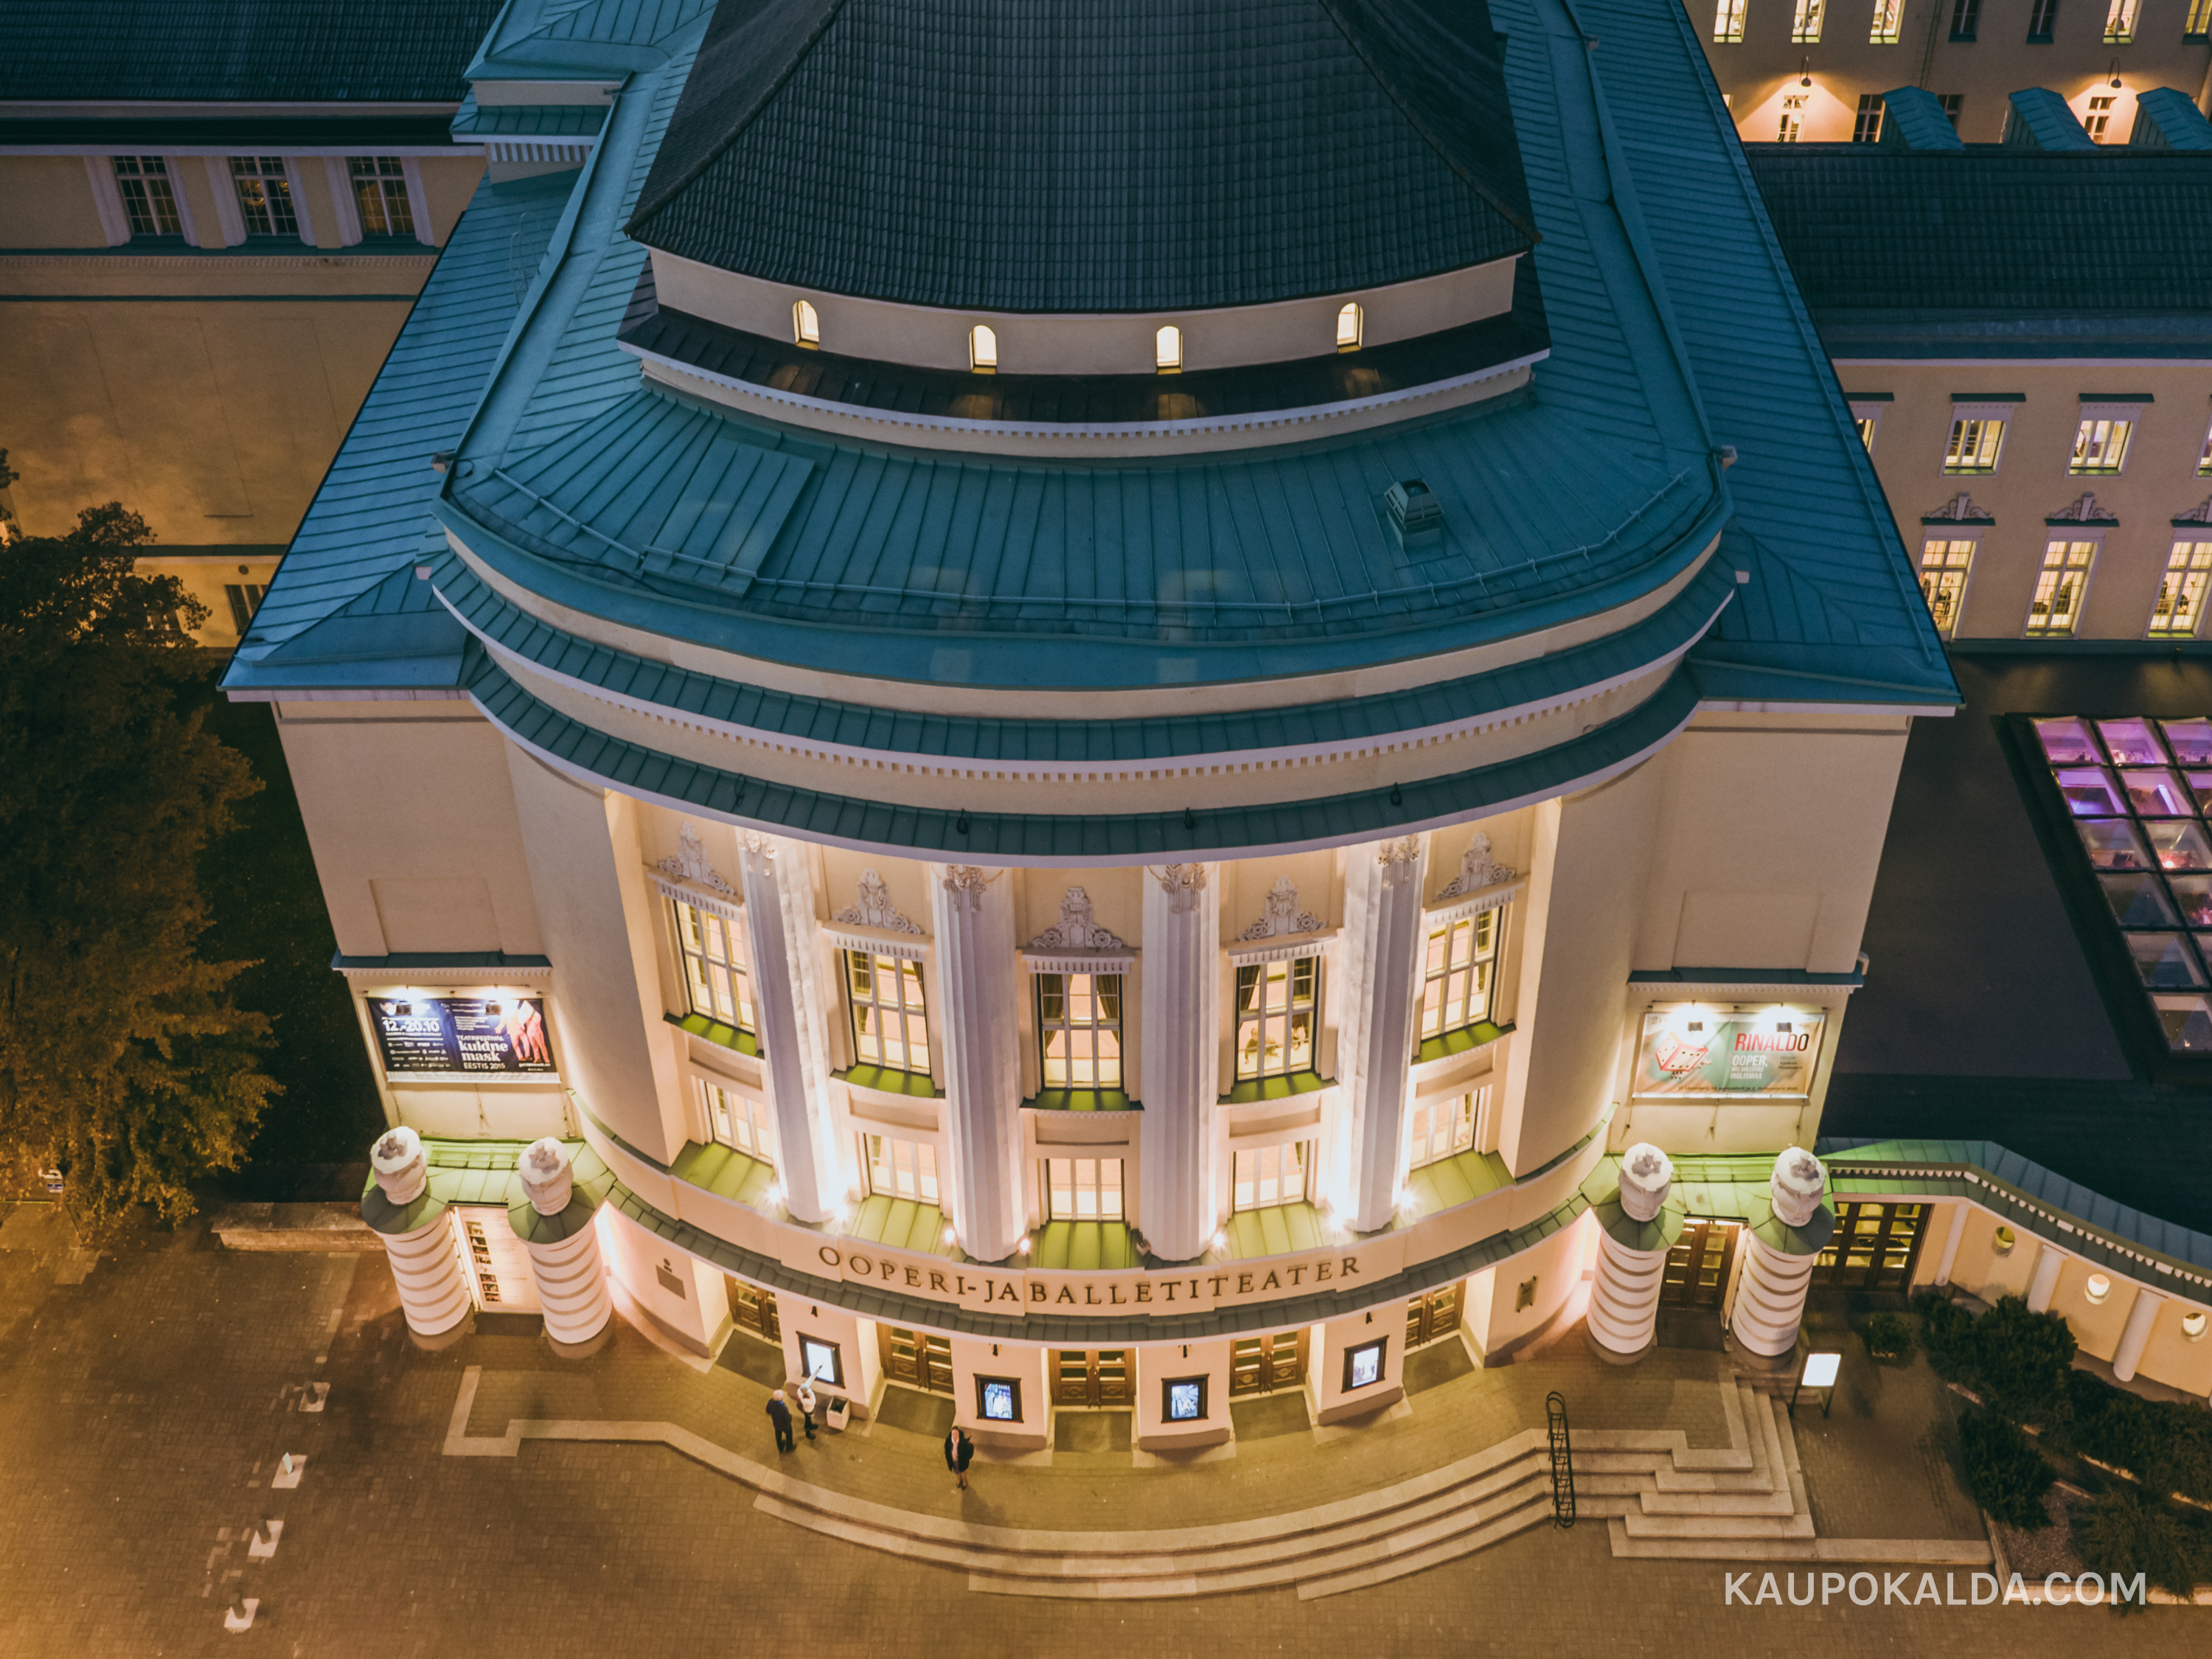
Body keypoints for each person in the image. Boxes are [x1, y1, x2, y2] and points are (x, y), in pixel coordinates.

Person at [944, 1422, 975, 1491]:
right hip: (954, 1460)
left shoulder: (963, 1442)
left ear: (958, 1434)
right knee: (956, 1470)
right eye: (953, 1434)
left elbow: (969, 1449)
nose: (954, 1435)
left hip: (963, 1461)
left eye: (956, 1434)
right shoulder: (948, 1441)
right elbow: (947, 1451)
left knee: (964, 1471)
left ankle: (964, 1481)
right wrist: (948, 1459)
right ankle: (959, 1479)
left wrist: (967, 1458)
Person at [766, 1389, 795, 1453]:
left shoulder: (771, 1402)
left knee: (778, 1435)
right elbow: (788, 1419)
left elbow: (768, 1411)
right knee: (789, 1434)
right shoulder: (783, 1408)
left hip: (776, 1424)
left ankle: (780, 1447)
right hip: (785, 1426)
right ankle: (789, 1447)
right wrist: (790, 1417)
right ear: (780, 1398)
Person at [794, 1377, 818, 1442]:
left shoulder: (800, 1390)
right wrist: (811, 1394)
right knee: (807, 1420)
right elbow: (813, 1402)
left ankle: (810, 1426)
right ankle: (808, 1432)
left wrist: (818, 1369)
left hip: (808, 1409)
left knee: (809, 1419)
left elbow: (810, 1379)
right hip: (807, 1410)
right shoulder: (804, 1399)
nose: (809, 1390)